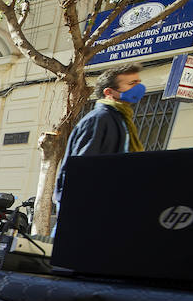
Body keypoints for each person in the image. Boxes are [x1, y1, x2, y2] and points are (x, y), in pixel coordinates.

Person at [55, 62, 144, 218]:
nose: (138, 87)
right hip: (88, 210)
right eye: (132, 83)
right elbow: (82, 170)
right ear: (109, 92)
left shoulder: (121, 119)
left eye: (138, 82)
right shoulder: (99, 119)